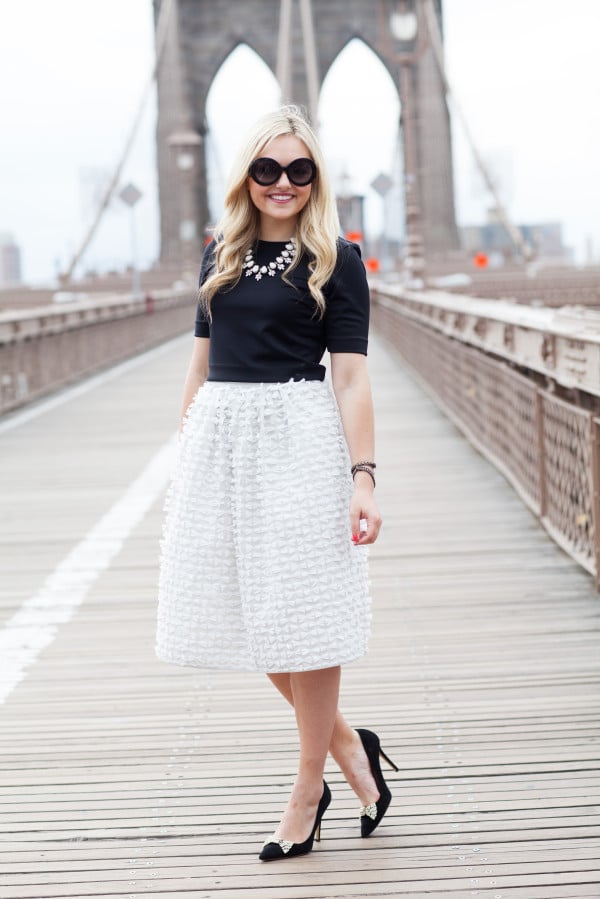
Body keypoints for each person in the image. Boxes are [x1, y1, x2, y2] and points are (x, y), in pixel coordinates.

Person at [156, 106, 397, 862]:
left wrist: (363, 477)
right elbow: (200, 365)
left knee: (304, 617)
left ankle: (306, 788)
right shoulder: (219, 253)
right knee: (255, 616)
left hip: (299, 441)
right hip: (223, 443)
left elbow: (350, 376)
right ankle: (350, 746)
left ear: (316, 178)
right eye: (267, 169)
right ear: (247, 178)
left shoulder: (336, 259)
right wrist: (186, 452)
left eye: (299, 169)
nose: (282, 182)